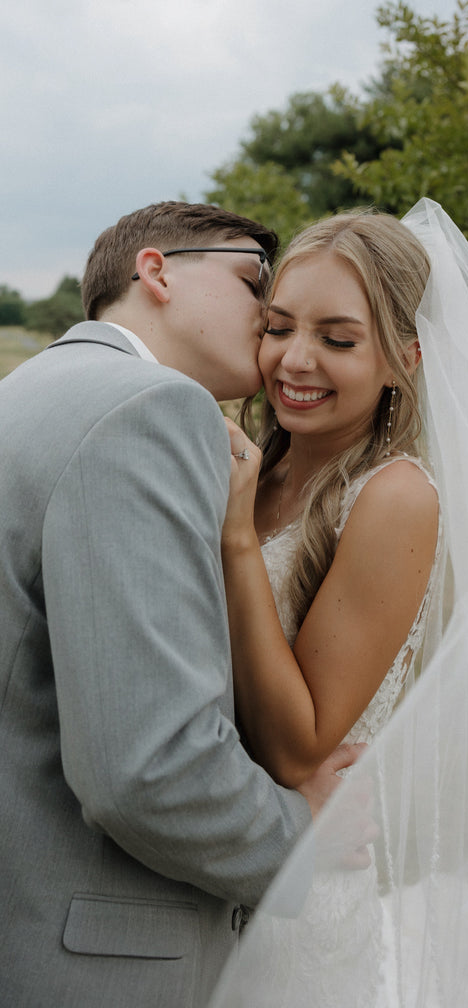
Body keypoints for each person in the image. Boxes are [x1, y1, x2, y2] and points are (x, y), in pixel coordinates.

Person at [0, 201, 364, 1008]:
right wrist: (303, 832)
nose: (271, 312)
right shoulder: (148, 408)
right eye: (251, 280)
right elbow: (147, 769)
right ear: (156, 271)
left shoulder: (33, 390)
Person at [209, 199, 468, 1007]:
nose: (294, 360)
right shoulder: (257, 472)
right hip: (209, 871)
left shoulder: (393, 498)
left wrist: (237, 543)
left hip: (296, 910)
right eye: (278, 327)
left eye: (338, 339)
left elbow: (297, 749)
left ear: (405, 358)